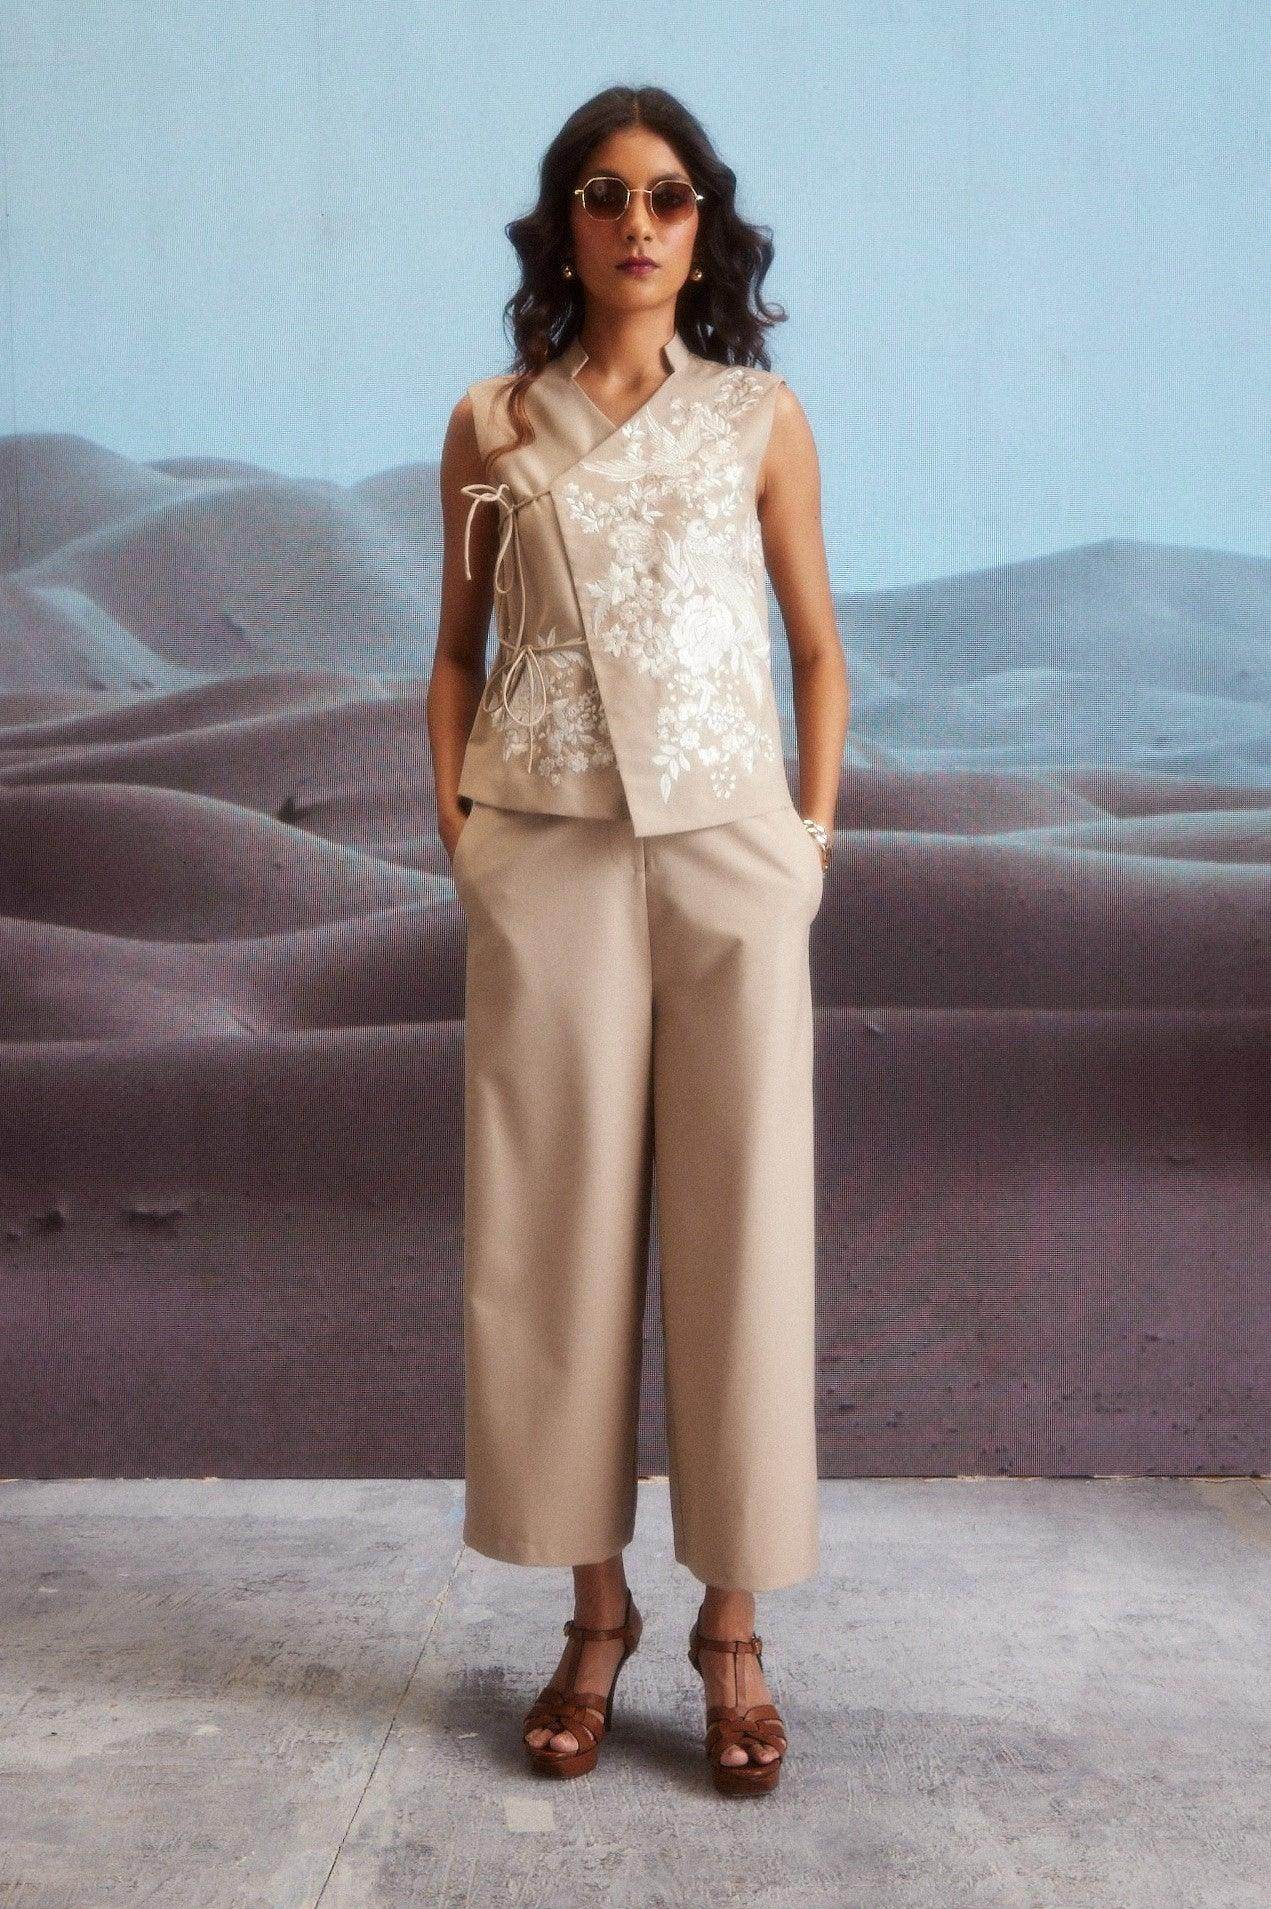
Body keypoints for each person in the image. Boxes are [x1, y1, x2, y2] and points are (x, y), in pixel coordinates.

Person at [427, 84, 850, 1795]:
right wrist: (466, 841)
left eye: (668, 196)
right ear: (565, 225)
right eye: (604, 194)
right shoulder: (492, 423)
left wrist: (808, 844)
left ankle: (732, 1626)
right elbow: (452, 649)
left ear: (703, 226)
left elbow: (817, 648)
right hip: (547, 849)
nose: (638, 222)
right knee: (554, 1231)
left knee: (746, 1228)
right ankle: (594, 1613)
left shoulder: (759, 415)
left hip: (732, 851)